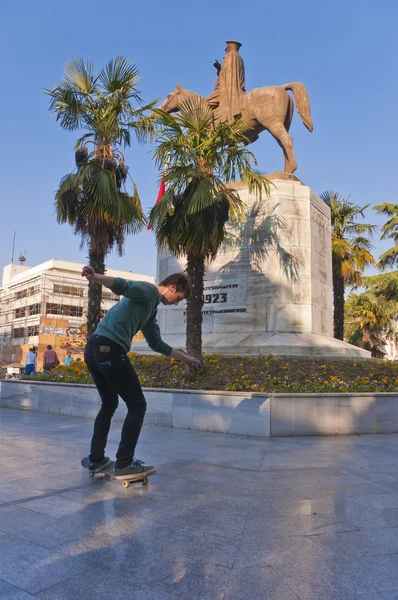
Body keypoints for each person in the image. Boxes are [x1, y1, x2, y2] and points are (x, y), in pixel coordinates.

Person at [81, 266, 201, 480]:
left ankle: (96, 459)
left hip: (94, 348)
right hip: (110, 348)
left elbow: (156, 344)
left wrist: (186, 358)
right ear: (172, 287)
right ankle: (124, 464)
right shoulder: (149, 292)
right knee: (137, 404)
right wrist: (95, 276)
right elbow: (123, 286)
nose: (176, 303)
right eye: (178, 298)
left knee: (109, 404)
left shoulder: (150, 310)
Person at [207, 41, 246, 123]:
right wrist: (220, 69)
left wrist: (221, 70)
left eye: (226, 47)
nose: (225, 49)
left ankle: (210, 127)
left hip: (225, 90)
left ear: (230, 47)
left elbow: (229, 76)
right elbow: (229, 73)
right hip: (231, 87)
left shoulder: (230, 55)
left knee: (206, 104)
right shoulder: (238, 57)